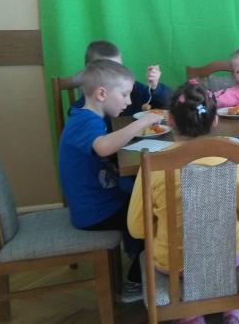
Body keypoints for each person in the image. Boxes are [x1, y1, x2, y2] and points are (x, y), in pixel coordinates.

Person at [127, 80, 239, 324]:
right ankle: (231, 313)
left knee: (179, 258)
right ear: (216, 121)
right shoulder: (233, 159)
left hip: (174, 264)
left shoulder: (153, 164)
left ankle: (191, 317)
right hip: (227, 257)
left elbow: (137, 229)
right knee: (225, 255)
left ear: (169, 121)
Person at [58, 59, 163, 303]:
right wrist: (141, 122)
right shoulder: (85, 121)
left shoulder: (88, 117)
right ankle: (135, 281)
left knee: (147, 203)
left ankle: (142, 260)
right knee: (153, 217)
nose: (128, 101)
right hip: (94, 212)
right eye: (124, 94)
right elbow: (104, 147)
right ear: (102, 94)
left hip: (99, 202)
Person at [71, 40, 172, 118]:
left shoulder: (132, 88)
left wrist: (155, 87)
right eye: (111, 71)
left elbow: (170, 104)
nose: (119, 74)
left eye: (120, 68)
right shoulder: (83, 112)